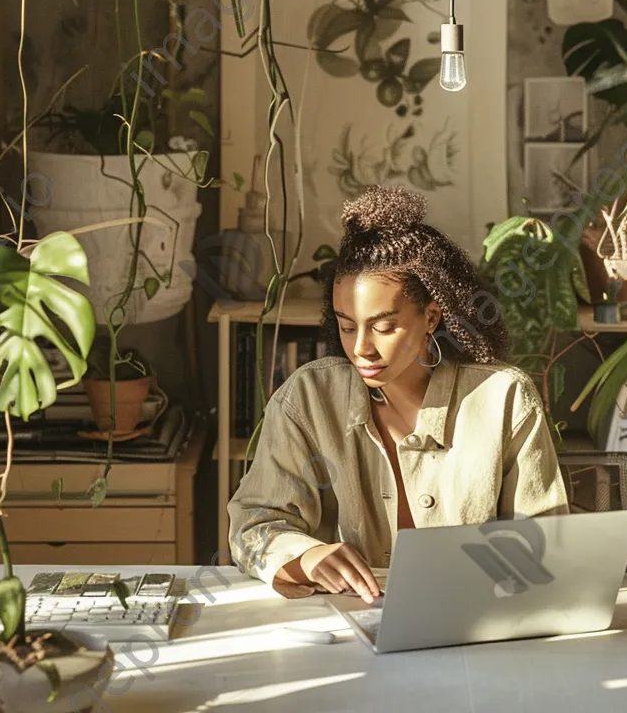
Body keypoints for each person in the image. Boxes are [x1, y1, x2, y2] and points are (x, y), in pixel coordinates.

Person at [227, 185, 568, 602]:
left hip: (477, 623)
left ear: (431, 316)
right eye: (346, 326)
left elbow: (545, 542)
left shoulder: (504, 397)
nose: (361, 348)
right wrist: (308, 556)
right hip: (347, 628)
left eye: (384, 327)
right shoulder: (309, 396)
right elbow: (252, 524)